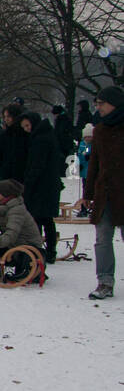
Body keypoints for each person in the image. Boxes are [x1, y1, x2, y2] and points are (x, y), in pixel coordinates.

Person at [84, 86, 124, 299]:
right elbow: (94, 164)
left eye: (102, 103)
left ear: (114, 104)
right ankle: (105, 281)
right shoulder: (100, 130)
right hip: (105, 192)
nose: (98, 107)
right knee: (102, 238)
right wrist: (88, 193)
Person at [0, 180, 45, 280]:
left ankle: (26, 270)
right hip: (14, 244)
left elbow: (12, 234)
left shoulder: (16, 210)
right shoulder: (1, 208)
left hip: (27, 246)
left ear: (5, 193)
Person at [19, 110, 63, 264]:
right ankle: (49, 251)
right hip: (48, 185)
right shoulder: (46, 135)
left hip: (41, 186)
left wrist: (28, 183)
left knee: (38, 219)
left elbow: (36, 165)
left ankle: (39, 250)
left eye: (27, 126)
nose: (26, 129)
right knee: (47, 219)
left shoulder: (40, 140)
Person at [0, 103, 30, 182]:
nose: (6, 119)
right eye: (4, 117)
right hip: (7, 174)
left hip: (20, 175)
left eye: (8, 116)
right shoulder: (6, 134)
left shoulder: (23, 133)